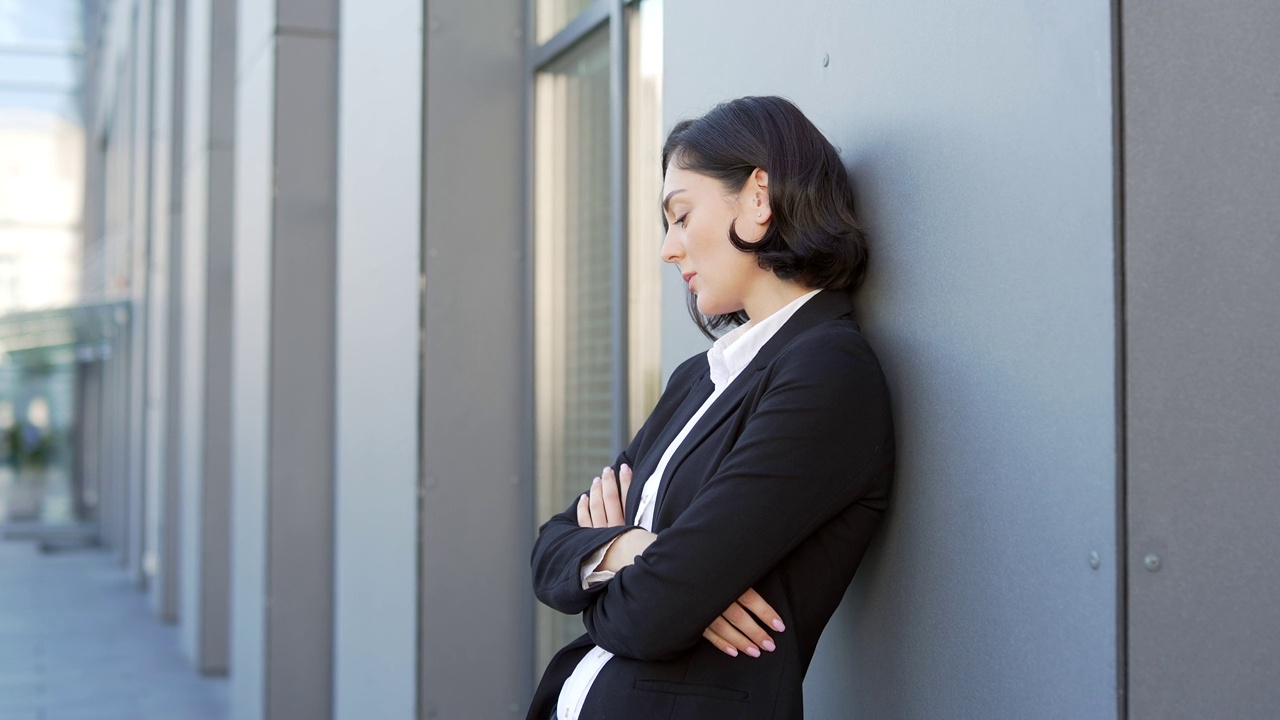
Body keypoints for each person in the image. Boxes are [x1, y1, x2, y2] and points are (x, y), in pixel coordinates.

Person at [528, 96, 895, 720]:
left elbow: (652, 613)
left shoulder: (827, 373)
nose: (669, 248)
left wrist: (626, 564)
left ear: (758, 198)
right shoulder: (698, 378)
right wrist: (640, 550)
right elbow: (551, 548)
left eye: (680, 215)